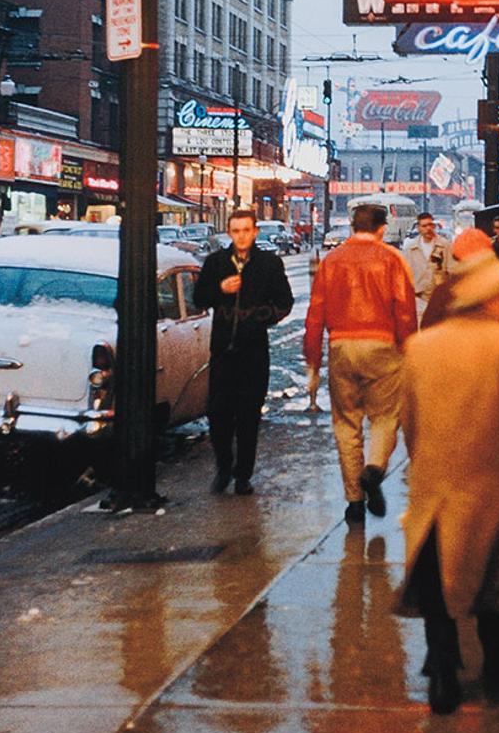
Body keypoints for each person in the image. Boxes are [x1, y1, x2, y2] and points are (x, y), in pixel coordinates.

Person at [396, 249, 499, 713]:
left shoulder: (421, 347)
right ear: (491, 298)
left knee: (437, 586)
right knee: (498, 585)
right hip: (495, 484)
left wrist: (424, 463)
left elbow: (410, 422)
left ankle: (443, 674)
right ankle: (496, 670)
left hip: (435, 483)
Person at [304, 202, 417, 525]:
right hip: (382, 344)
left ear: (353, 226)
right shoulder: (392, 260)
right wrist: (408, 349)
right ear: (382, 228)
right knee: (385, 416)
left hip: (341, 344)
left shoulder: (332, 260)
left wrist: (313, 360)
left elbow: (315, 314)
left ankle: (354, 500)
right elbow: (404, 310)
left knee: (346, 423)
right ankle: (375, 468)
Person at [193, 207, 294, 496]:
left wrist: (259, 316)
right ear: (229, 233)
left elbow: (284, 301)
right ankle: (224, 467)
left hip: (254, 352)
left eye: (246, 231)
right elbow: (199, 297)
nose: (241, 236)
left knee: (249, 415)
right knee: (219, 413)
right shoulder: (215, 263)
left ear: (255, 232)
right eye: (236, 231)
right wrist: (220, 289)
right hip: (223, 350)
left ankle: (243, 475)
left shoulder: (269, 264)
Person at [403, 211, 453, 324]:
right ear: (418, 228)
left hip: (439, 298)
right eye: (424, 226)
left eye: (430, 225)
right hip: (419, 297)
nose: (428, 228)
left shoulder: (444, 245)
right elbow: (405, 274)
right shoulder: (411, 249)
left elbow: (452, 270)